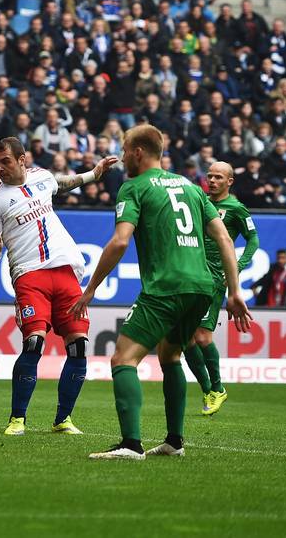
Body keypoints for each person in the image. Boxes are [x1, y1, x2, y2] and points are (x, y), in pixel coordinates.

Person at [70, 125, 250, 459]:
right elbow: (225, 239)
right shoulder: (192, 188)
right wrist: (234, 291)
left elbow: (121, 240)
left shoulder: (134, 187)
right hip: (201, 288)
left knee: (123, 358)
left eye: (125, 150)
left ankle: (130, 444)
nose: (123, 157)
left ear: (138, 152)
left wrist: (90, 288)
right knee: (170, 356)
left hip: (166, 287)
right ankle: (174, 442)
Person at [0, 137, 119, 436]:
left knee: (79, 345)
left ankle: (63, 419)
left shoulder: (41, 177)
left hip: (66, 270)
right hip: (29, 274)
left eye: (5, 161)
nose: (0, 168)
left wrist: (93, 175)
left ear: (22, 159)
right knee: (34, 342)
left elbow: (61, 184)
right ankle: (17, 418)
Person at [183, 162, 259, 417]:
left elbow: (253, 240)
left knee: (202, 337)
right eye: (210, 176)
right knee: (183, 338)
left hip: (214, 279)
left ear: (230, 181)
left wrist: (236, 267)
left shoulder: (236, 209)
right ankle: (210, 390)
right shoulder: (199, 201)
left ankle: (216, 387)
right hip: (190, 274)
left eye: (218, 177)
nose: (212, 180)